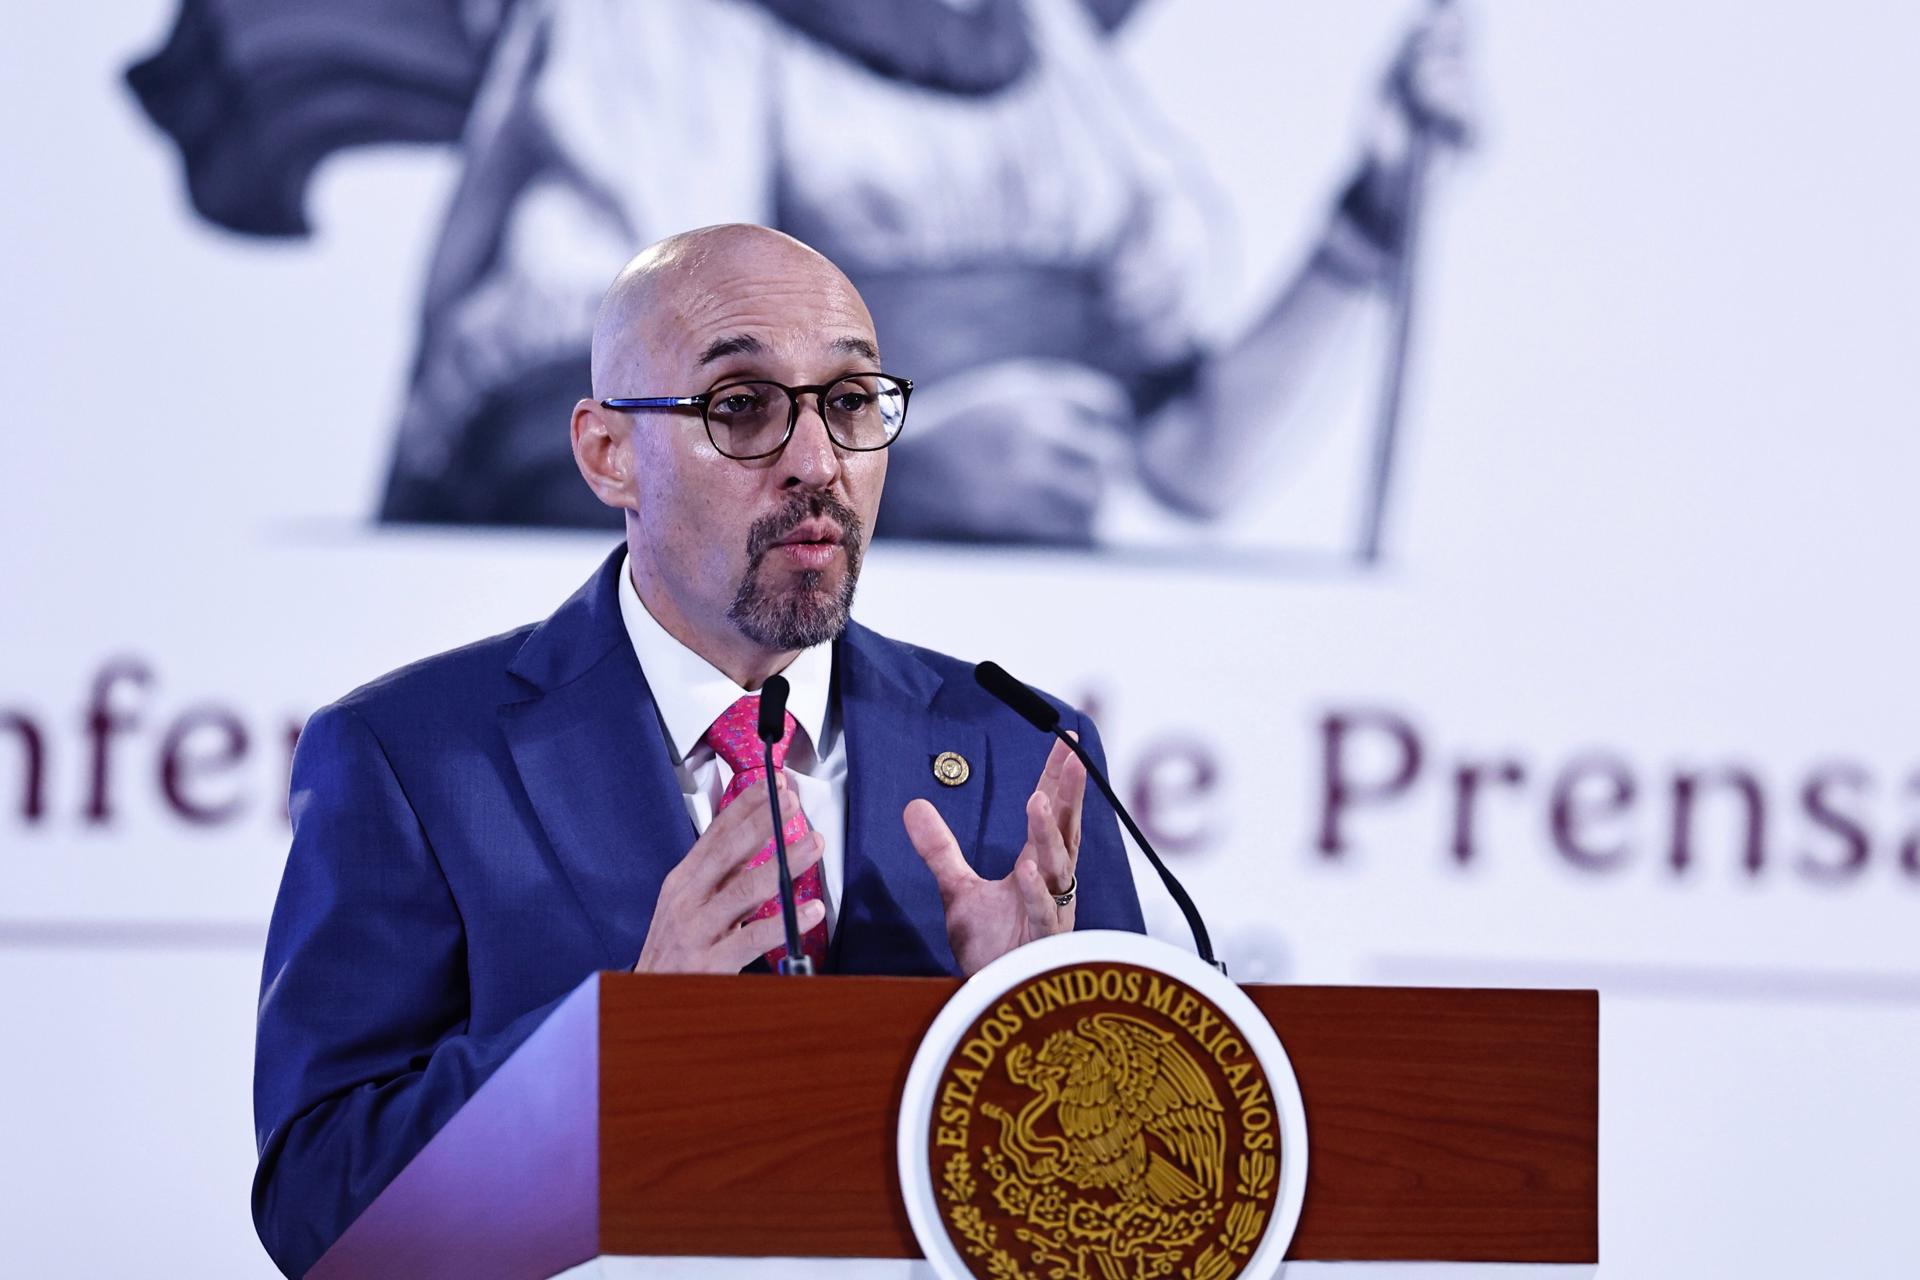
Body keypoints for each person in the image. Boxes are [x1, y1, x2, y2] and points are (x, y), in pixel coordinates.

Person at [250, 223, 1147, 1276]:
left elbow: (1142, 1207)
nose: (818, 463)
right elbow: (322, 1206)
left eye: (852, 404)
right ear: (607, 454)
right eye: (743, 407)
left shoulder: (1016, 746)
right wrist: (616, 1043)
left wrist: (1048, 1029)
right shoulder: (412, 756)